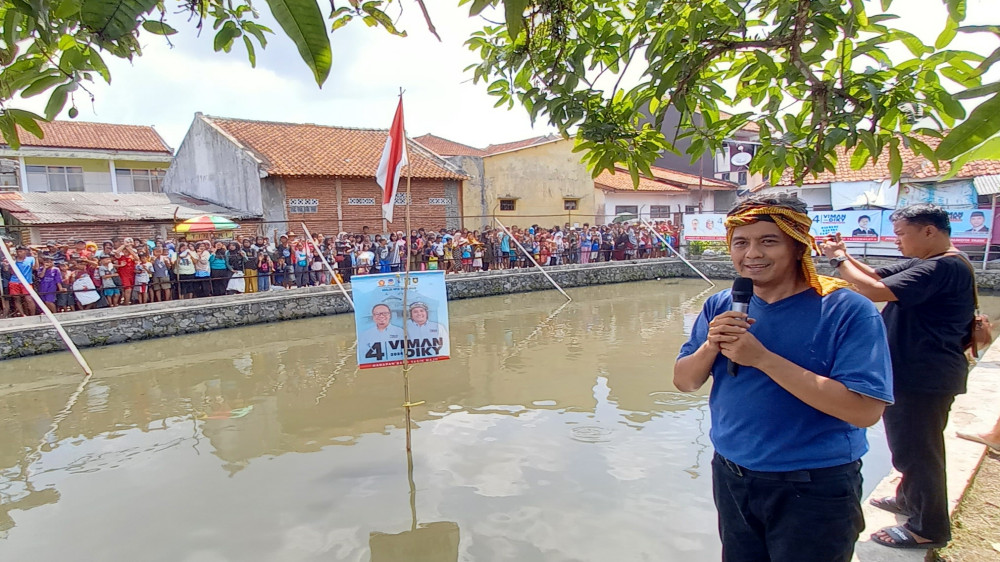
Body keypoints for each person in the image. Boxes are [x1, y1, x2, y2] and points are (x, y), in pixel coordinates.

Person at [675, 194, 893, 562]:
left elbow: (865, 411)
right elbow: (685, 381)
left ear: (798, 246)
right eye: (741, 243)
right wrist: (712, 345)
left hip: (814, 485)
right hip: (733, 476)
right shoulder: (721, 304)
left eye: (768, 241)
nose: (752, 254)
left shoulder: (845, 309)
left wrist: (762, 359)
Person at [820, 203, 974, 550]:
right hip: (913, 372)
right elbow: (875, 277)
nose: (897, 240)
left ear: (929, 231)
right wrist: (842, 255)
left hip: (924, 375)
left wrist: (836, 262)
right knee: (909, 446)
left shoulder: (943, 267)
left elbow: (874, 292)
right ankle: (908, 499)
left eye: (902, 233)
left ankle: (929, 527)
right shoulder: (927, 263)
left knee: (919, 451)